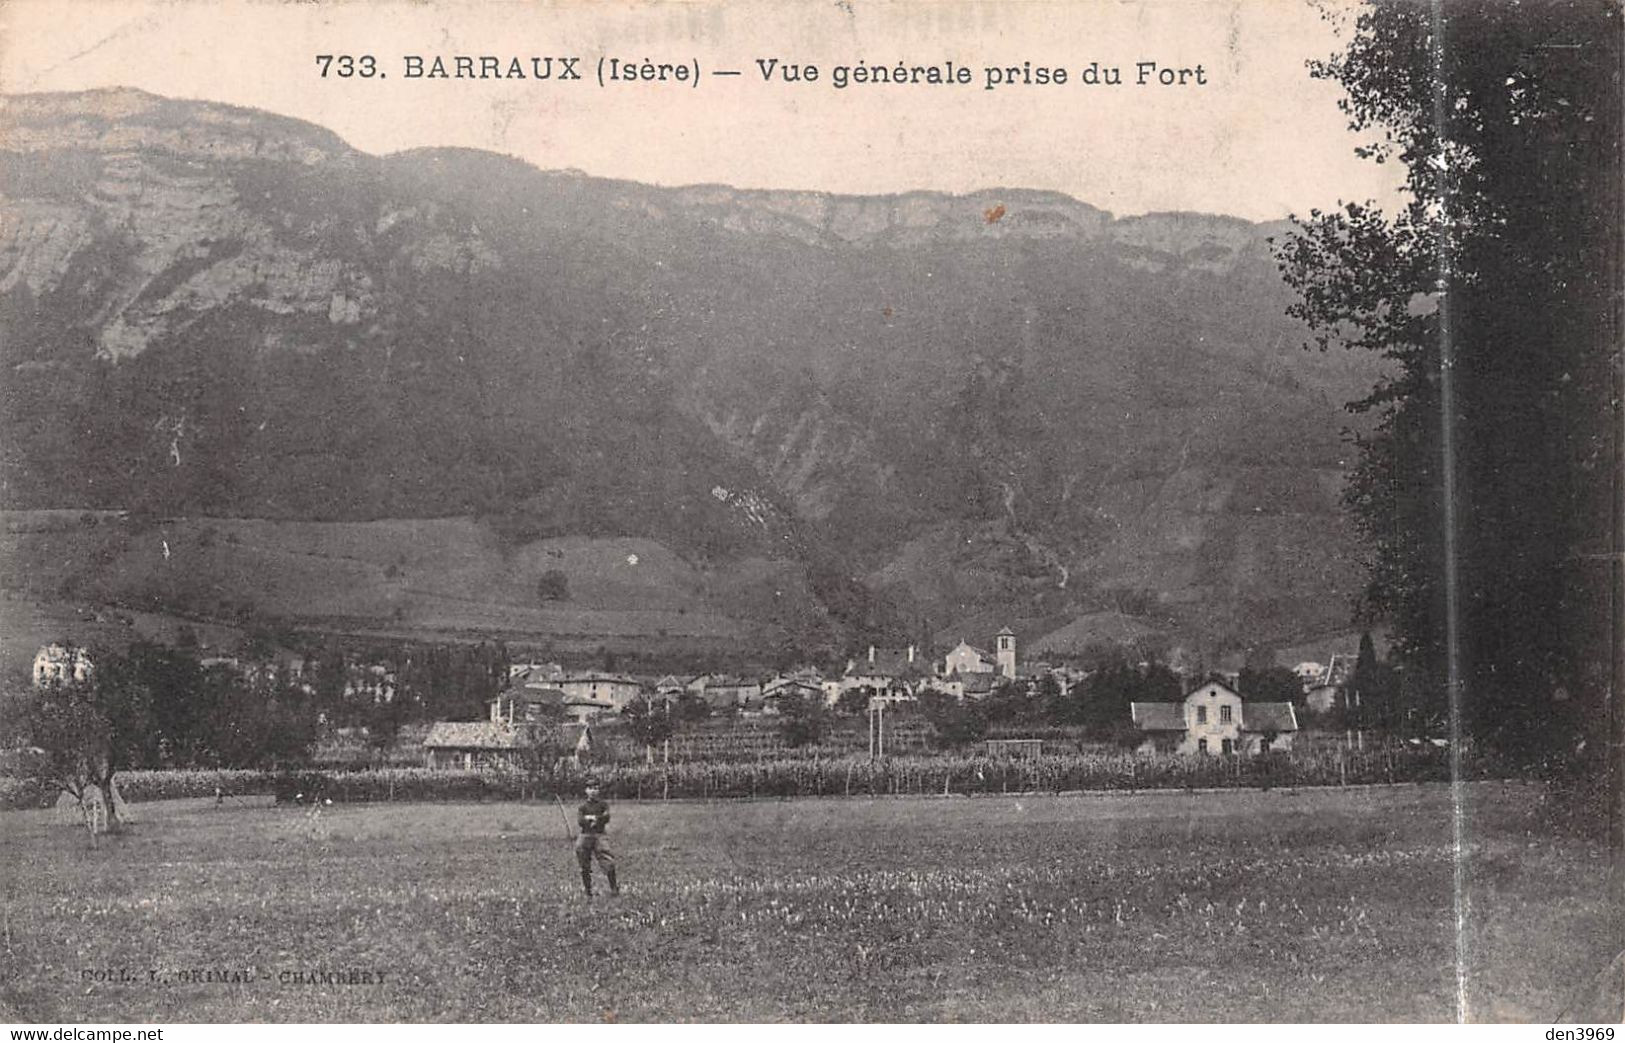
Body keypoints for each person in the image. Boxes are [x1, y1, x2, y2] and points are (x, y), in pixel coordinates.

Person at [575, 782, 619, 897]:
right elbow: (580, 821)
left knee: (608, 862)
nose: (593, 791)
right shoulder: (583, 807)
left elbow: (606, 817)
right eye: (590, 788)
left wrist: (595, 819)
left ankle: (614, 888)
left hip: (600, 835)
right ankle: (588, 890)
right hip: (585, 835)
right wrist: (589, 820)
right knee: (584, 863)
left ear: (598, 791)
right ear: (586, 791)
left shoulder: (603, 805)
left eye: (595, 788)